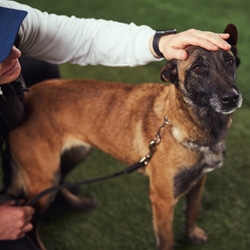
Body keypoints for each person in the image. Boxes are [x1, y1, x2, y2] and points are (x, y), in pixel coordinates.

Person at [0, 0, 232, 248]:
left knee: (38, 65)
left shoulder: (7, 13)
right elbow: (161, 199)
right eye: (1, 53)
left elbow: (79, 36)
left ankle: (55, 193)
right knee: (28, 216)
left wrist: (158, 42)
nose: (16, 52)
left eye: (10, 41)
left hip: (31, 105)